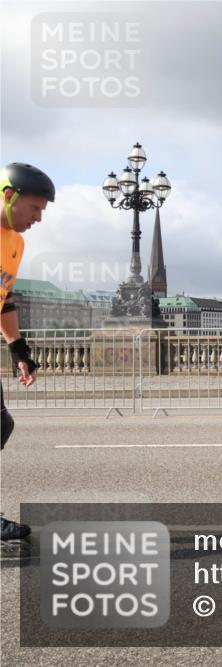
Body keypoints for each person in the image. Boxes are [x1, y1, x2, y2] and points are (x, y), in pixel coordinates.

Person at [1, 163, 54, 544]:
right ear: (8, 196)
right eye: (34, 208)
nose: (38, 218)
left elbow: (4, 301)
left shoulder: (16, 244)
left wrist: (18, 348)